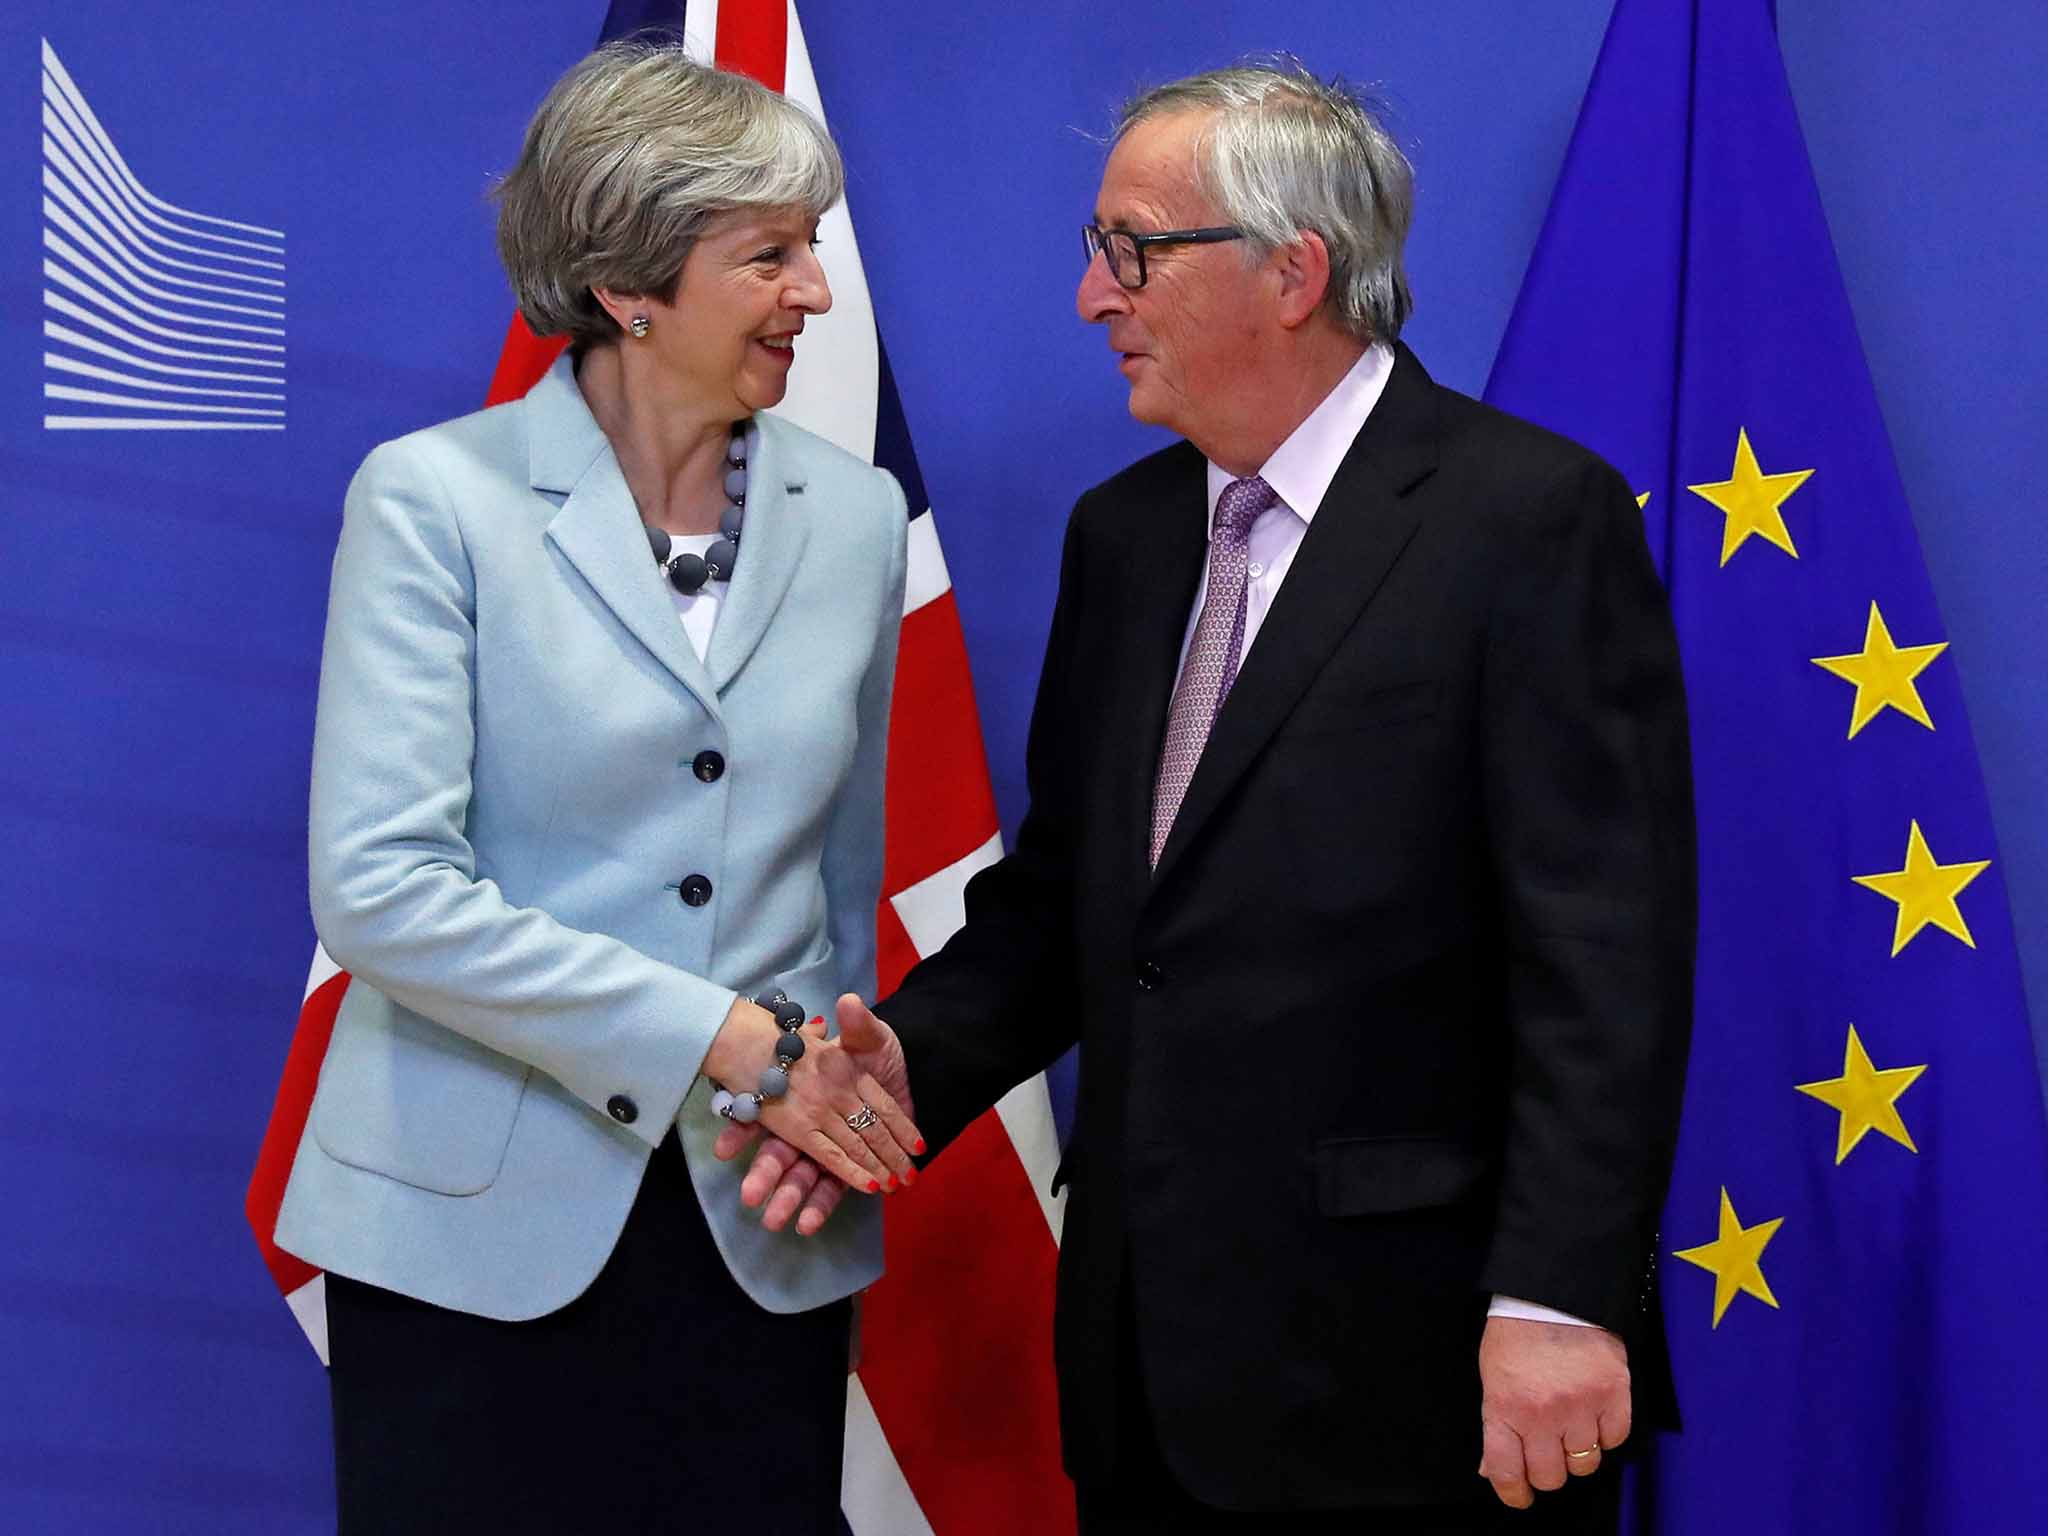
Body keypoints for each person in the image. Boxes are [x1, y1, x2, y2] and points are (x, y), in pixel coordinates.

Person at [732, 59, 1695, 1534]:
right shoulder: (1125, 539)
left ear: (1293, 270)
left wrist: (1563, 1296)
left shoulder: (1526, 522)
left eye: (1131, 250)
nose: (1091, 299)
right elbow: (1074, 910)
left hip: (1424, 1376)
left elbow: (1603, 964)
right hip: (1148, 1371)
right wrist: (894, 1075)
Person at [268, 41, 922, 1535]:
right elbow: (382, 891)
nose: (813, 294)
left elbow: (838, 888)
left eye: (813, 249)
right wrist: (723, 1038)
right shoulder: (437, 500)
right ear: (631, 279)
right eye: (769, 255)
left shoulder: (864, 520)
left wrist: (815, 1088)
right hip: (463, 1240)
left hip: (759, 1233)